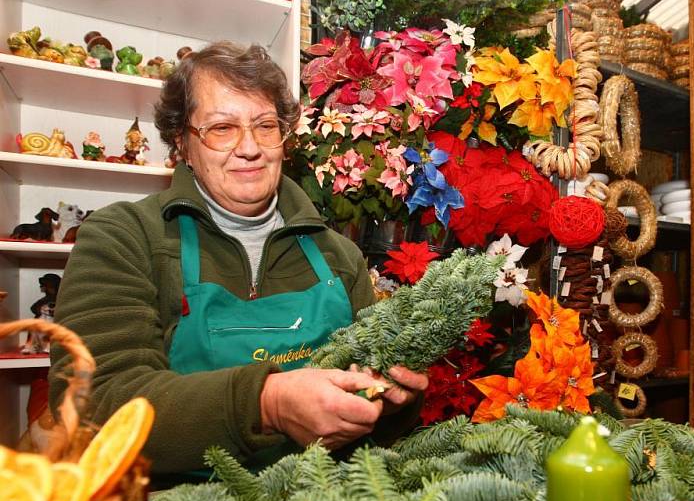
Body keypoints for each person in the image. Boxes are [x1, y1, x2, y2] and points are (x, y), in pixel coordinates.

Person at [48, 41, 427, 478]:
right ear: (182, 144)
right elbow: (95, 405)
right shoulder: (124, 237)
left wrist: (396, 401)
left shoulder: (337, 255)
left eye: (266, 126)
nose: (250, 148)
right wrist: (268, 404)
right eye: (222, 128)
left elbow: (373, 428)